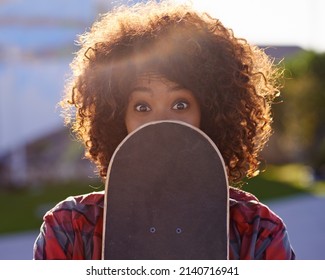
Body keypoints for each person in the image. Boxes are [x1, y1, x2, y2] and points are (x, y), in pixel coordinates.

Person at [33, 0, 295, 260]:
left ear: (211, 115)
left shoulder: (258, 232)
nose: (160, 121)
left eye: (180, 104)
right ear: (116, 120)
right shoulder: (70, 229)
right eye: (142, 107)